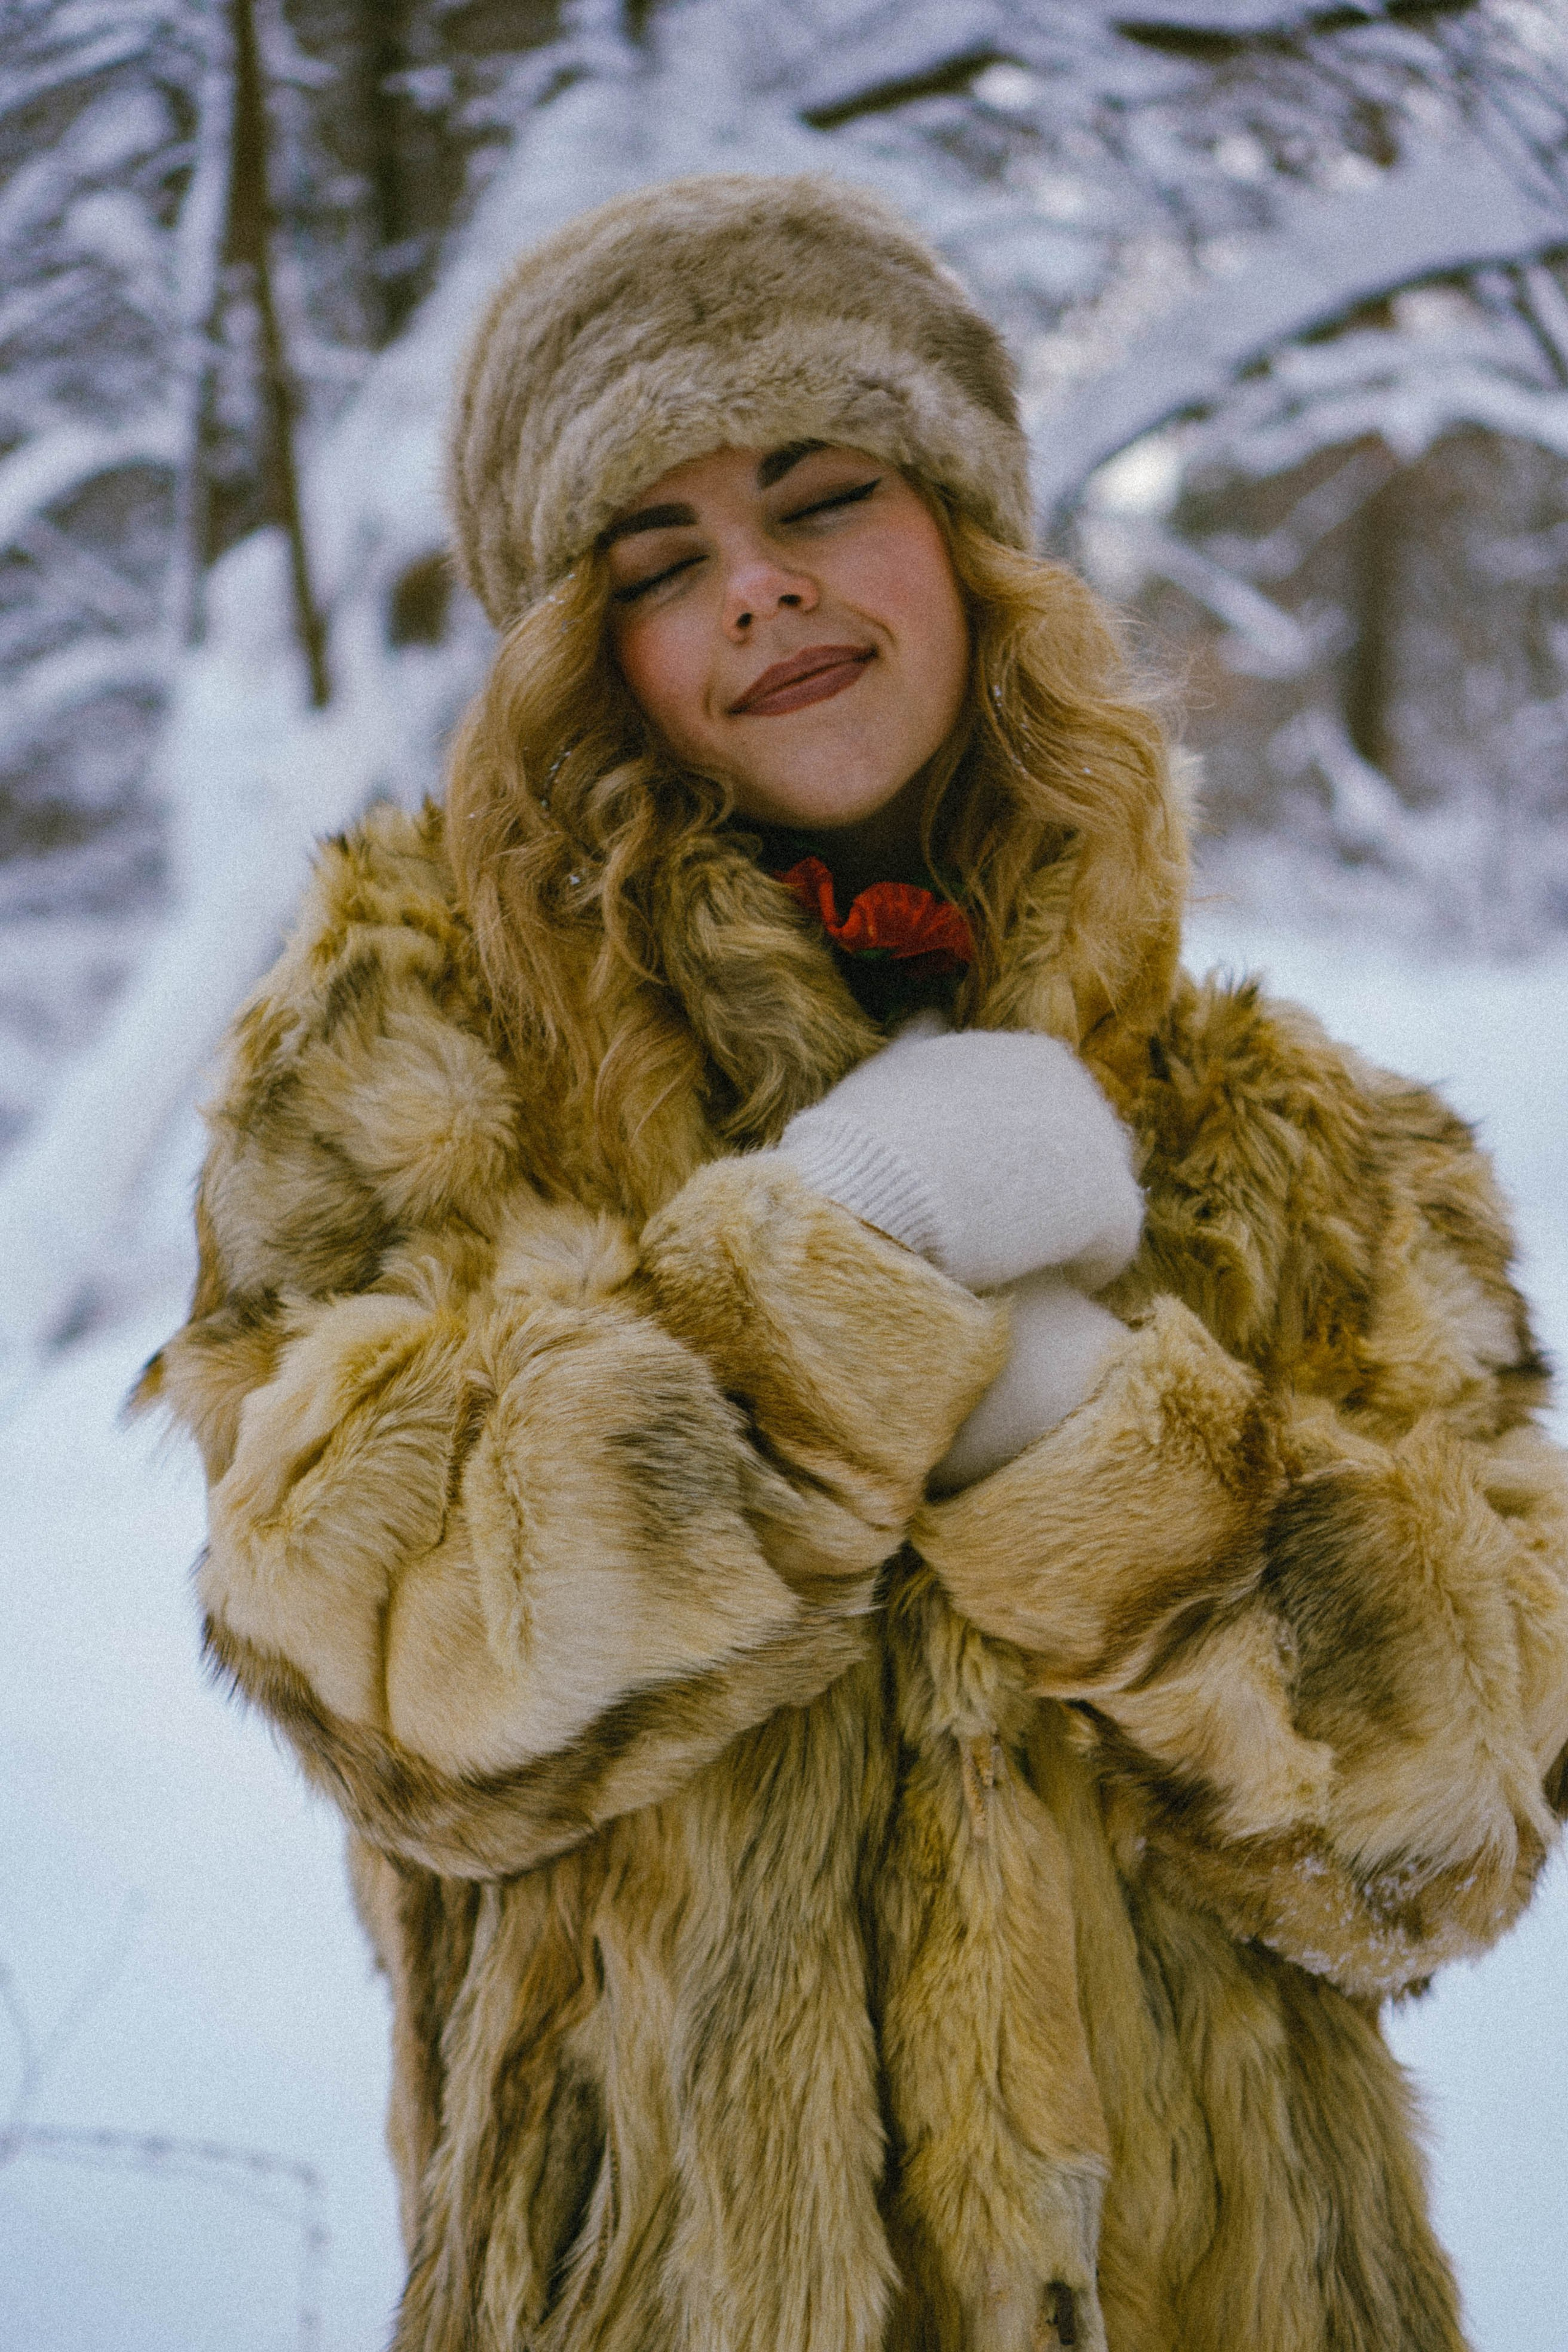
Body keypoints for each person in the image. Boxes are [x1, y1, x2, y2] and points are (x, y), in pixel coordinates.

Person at [138, 175, 1568, 2352]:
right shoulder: (415, 1056)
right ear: (583, 648)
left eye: (822, 497)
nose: (760, 584)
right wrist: (834, 1276)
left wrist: (1091, 1443)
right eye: (658, 559)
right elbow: (392, 1671)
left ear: (972, 542)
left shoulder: (1296, 1137)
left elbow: (1459, 1817)